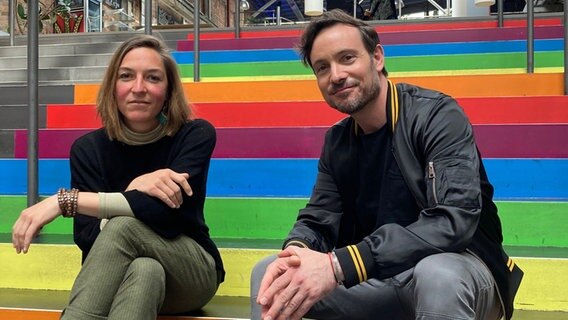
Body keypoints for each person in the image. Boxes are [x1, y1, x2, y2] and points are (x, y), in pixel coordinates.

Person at [250, 9, 523, 320]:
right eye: (322, 67)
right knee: (270, 276)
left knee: (438, 274)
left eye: (347, 58)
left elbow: (453, 221)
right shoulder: (337, 142)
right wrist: (295, 254)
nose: (336, 75)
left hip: (459, 271)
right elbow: (318, 218)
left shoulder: (436, 115)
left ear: (377, 58)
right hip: (379, 279)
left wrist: (339, 264)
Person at [12, 34, 224, 320]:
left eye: (152, 78)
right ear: (113, 86)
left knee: (123, 226)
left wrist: (65, 202)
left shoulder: (194, 135)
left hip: (191, 271)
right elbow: (88, 237)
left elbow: (167, 215)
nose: (139, 88)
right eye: (126, 76)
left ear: (169, 89)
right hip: (126, 275)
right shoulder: (88, 149)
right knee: (145, 269)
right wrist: (134, 189)